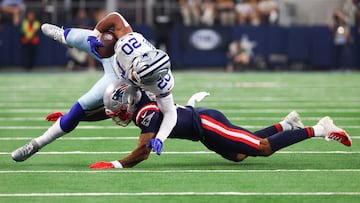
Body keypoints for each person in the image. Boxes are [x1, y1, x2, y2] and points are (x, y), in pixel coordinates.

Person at [11, 12, 176, 162]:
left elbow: (170, 113)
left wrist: (160, 138)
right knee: (90, 39)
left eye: (139, 78)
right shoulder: (131, 44)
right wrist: (96, 34)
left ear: (153, 80)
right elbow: (115, 17)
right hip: (112, 55)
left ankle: (36, 144)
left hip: (117, 80)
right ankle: (62, 35)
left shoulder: (162, 85)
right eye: (135, 71)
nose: (133, 75)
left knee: (77, 110)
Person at [89, 80, 352, 169]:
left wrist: (116, 164)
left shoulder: (144, 112)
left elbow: (143, 152)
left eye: (119, 112)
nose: (116, 116)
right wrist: (75, 116)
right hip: (202, 130)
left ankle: (321, 128)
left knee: (263, 148)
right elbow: (108, 111)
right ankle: (286, 125)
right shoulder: (140, 97)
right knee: (239, 153)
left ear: (129, 104)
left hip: (206, 123)